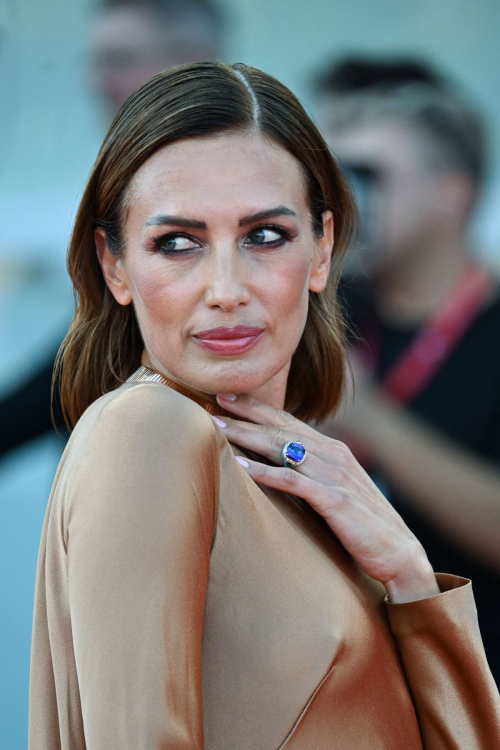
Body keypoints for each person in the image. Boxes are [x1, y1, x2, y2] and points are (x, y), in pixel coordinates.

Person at [29, 61, 500, 750]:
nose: (226, 287)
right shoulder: (147, 430)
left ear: (322, 249)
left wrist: (407, 572)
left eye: (265, 236)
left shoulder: (310, 486)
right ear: (115, 266)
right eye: (178, 243)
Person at [315, 57, 500, 683]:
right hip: (347, 688)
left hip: (476, 689)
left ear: (453, 195)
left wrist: (372, 421)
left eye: (368, 175)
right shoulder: (326, 310)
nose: (347, 199)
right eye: (336, 177)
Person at [0, 0, 226, 460]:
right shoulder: (139, 179)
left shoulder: (211, 186)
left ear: (192, 60)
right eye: (97, 61)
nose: (96, 81)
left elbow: (106, 351)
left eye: (119, 60)